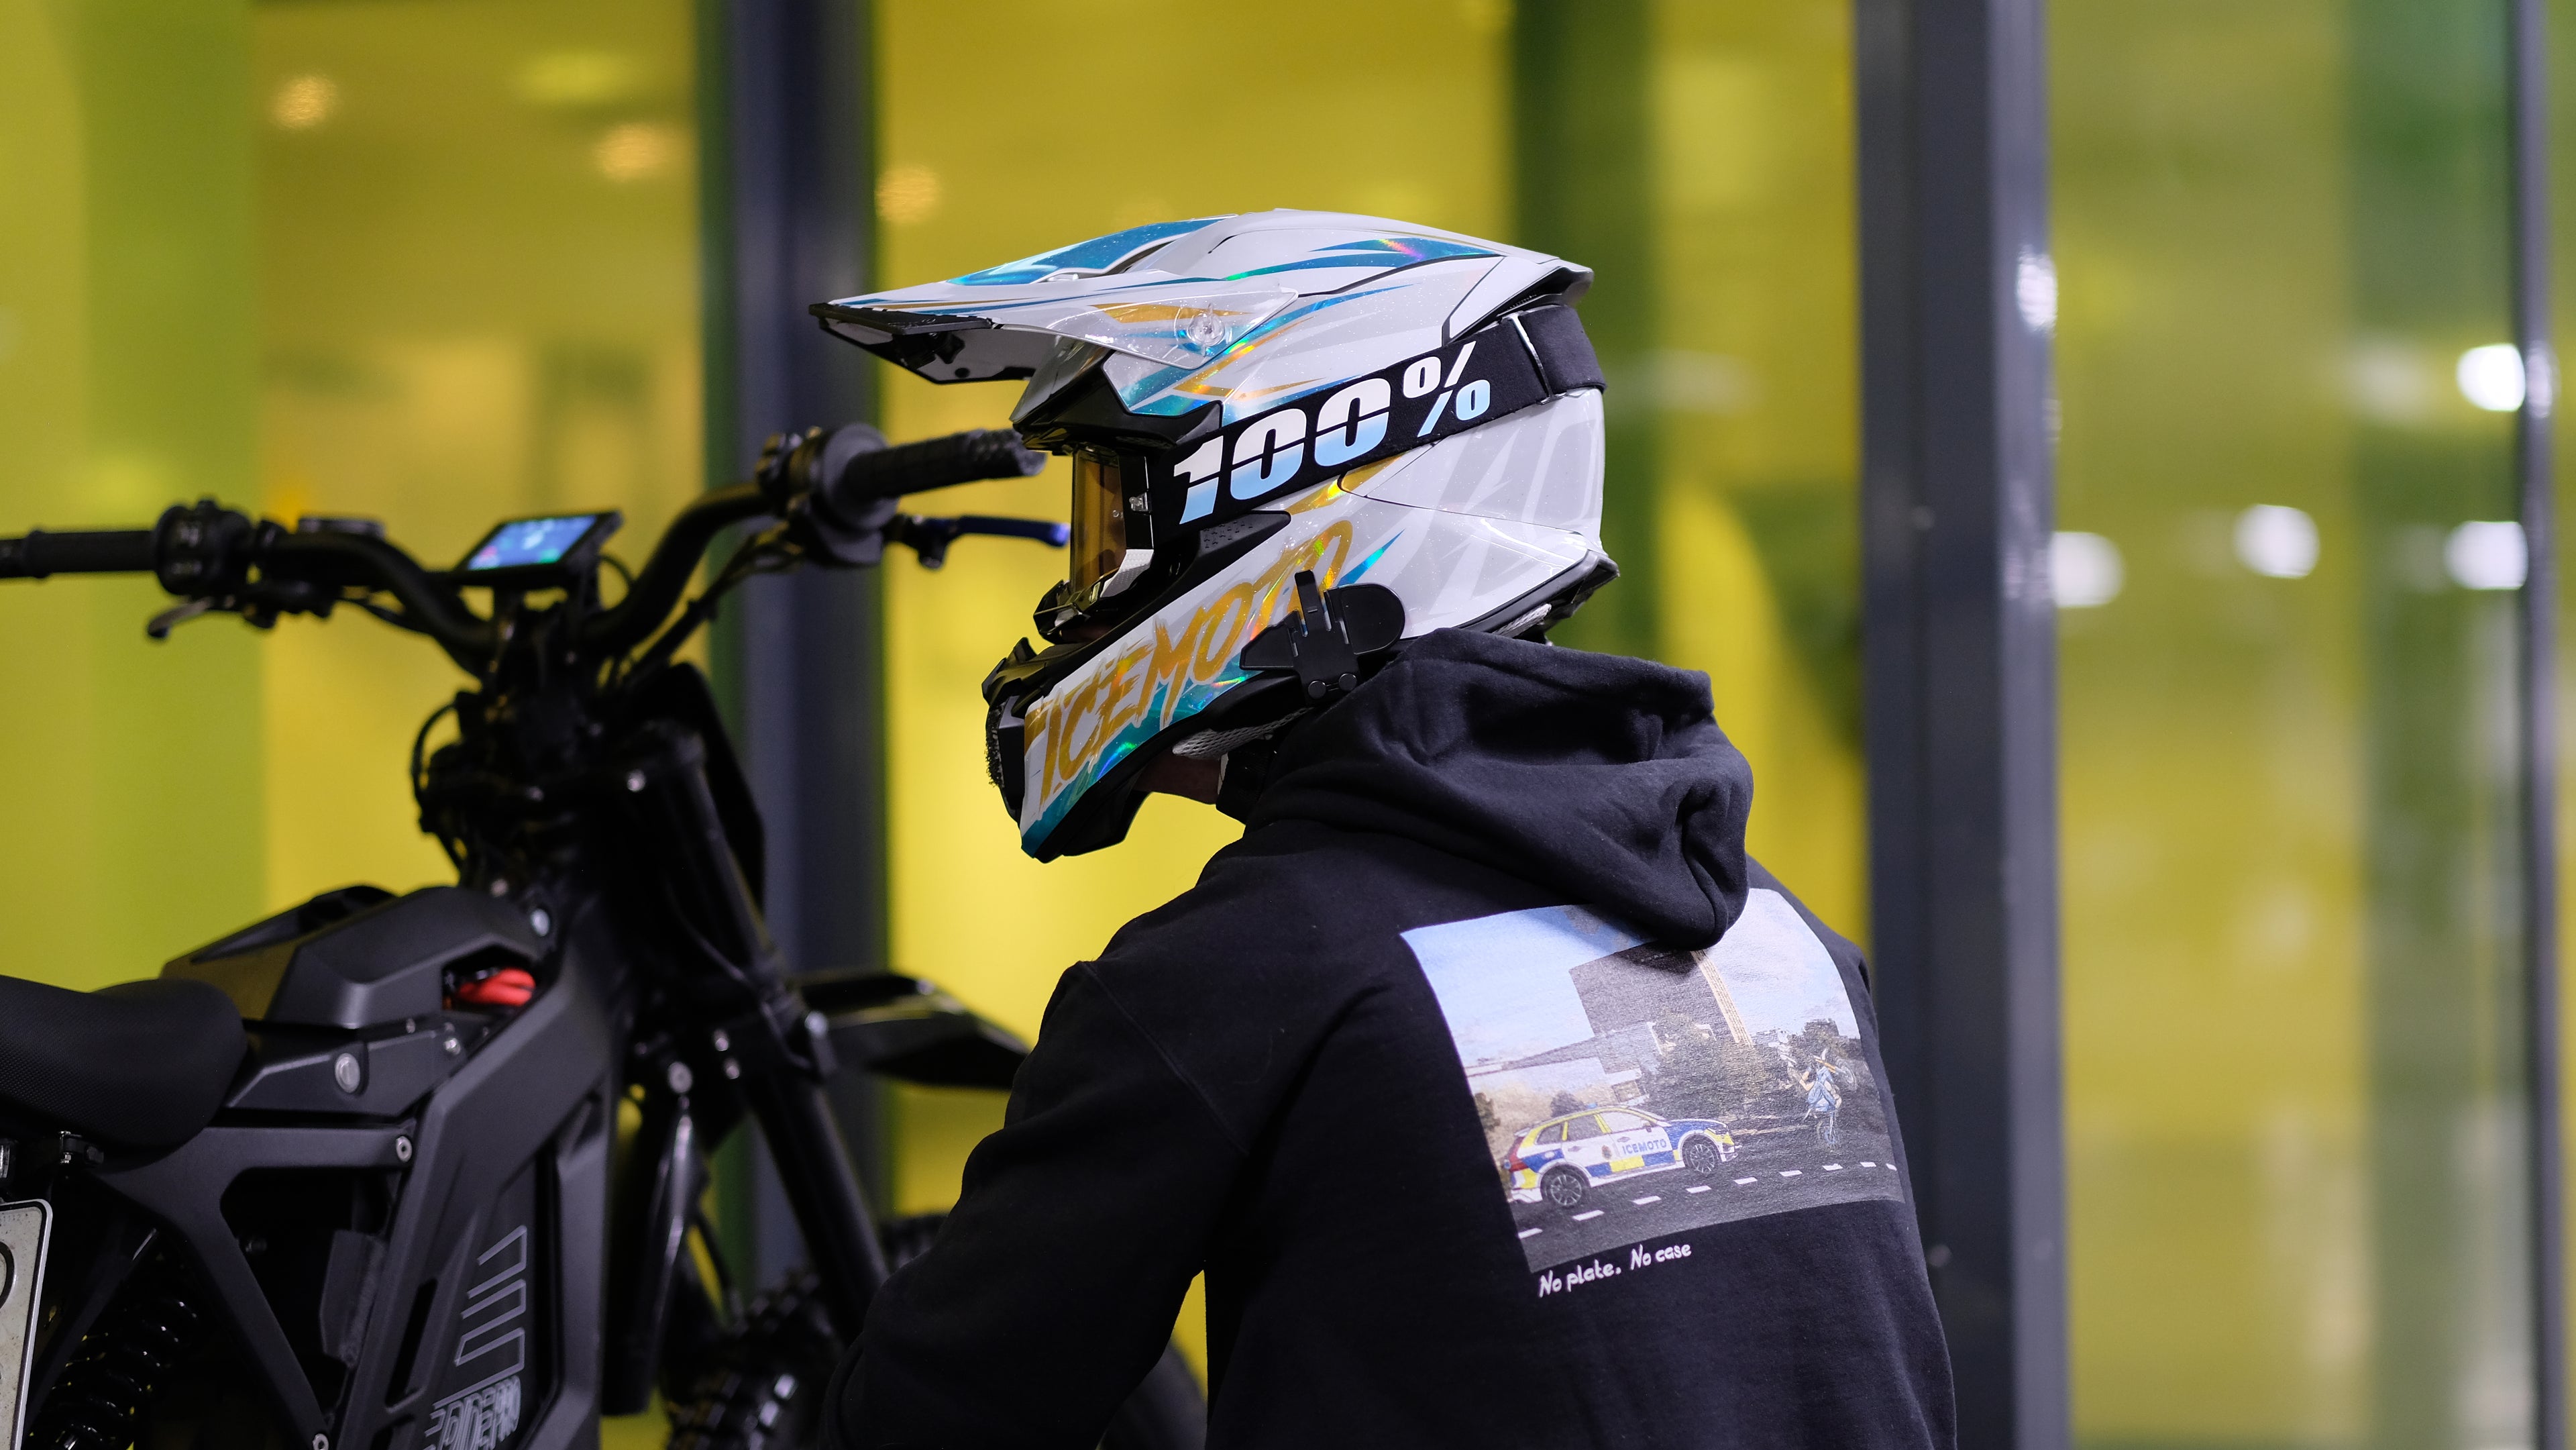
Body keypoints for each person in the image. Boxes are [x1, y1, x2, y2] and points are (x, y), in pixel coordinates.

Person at [811, 212, 1954, 1448]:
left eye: (1112, 525)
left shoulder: (1236, 974)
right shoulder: (1788, 939)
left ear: (1291, 494)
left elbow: (921, 1423)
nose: (1079, 596)